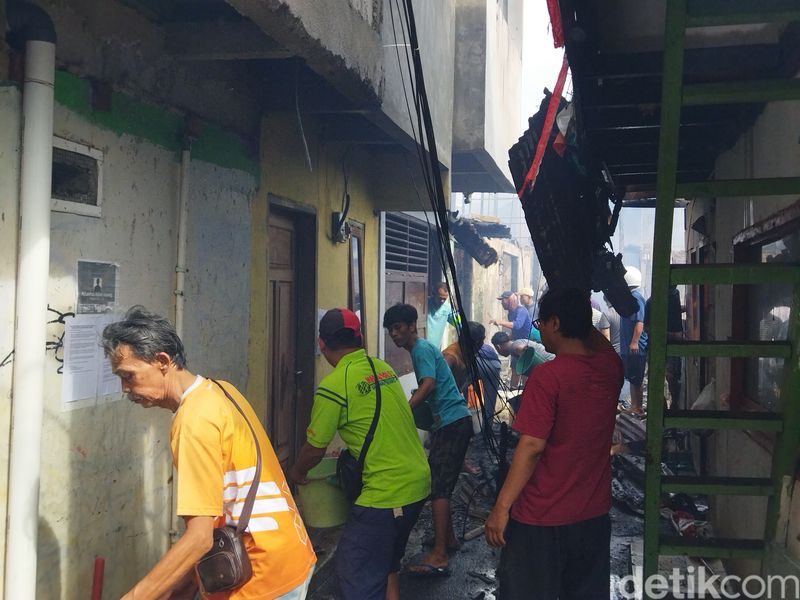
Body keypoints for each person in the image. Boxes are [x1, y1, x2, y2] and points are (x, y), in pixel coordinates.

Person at [102, 306, 316, 600]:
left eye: (128, 376)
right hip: (290, 555)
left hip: (260, 575)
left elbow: (200, 538)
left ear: (162, 361)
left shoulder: (193, 421)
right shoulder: (220, 389)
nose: (125, 388)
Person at [484, 288, 623, 600]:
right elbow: (597, 340)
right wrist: (576, 309)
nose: (539, 329)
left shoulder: (548, 377)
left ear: (555, 323)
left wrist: (501, 508)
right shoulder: (611, 368)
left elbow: (532, 447)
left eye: (541, 323)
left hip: (541, 520)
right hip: (592, 517)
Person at [288, 309, 430, 600]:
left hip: (386, 495)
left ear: (321, 344)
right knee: (387, 565)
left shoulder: (333, 387)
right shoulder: (384, 369)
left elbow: (314, 450)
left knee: (355, 572)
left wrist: (298, 472)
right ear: (360, 338)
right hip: (419, 484)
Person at [384, 303, 473, 576]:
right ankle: (450, 539)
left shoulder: (421, 348)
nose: (394, 335)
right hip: (454, 422)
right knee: (441, 483)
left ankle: (440, 555)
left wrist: (404, 409)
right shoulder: (420, 349)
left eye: (398, 328)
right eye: (390, 331)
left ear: (412, 326)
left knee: (438, 489)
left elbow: (429, 384)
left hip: (451, 422)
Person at [644, 285, 685, 409]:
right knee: (657, 377)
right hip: (657, 344)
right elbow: (647, 328)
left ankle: (674, 404)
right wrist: (671, 334)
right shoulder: (651, 303)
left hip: (673, 344)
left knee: (672, 376)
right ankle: (661, 406)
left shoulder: (674, 295)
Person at [620, 266, 649, 415]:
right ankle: (634, 406)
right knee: (632, 377)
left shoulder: (636, 298)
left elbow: (639, 322)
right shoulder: (631, 297)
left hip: (635, 347)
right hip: (629, 347)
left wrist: (634, 342)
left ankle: (637, 407)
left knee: (636, 377)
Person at [427, 283, 451, 348]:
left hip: (436, 348)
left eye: (445, 299)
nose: (442, 301)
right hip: (422, 346)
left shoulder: (447, 308)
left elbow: (459, 324)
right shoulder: (425, 303)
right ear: (433, 295)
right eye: (440, 298)